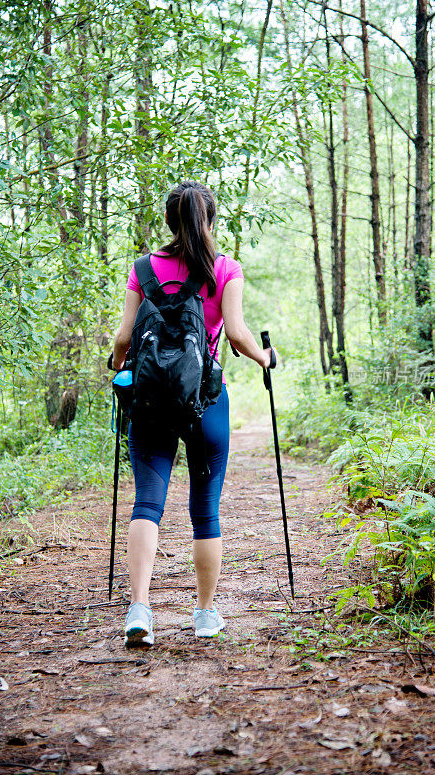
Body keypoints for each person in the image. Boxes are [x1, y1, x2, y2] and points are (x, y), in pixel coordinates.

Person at [112, 180, 274, 646]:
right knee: (204, 510)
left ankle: (138, 609)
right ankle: (204, 615)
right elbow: (240, 334)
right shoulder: (225, 268)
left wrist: (118, 366)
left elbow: (124, 338)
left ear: (169, 220)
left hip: (148, 403)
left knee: (147, 503)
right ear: (210, 221)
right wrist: (266, 359)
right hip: (205, 399)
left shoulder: (143, 268)